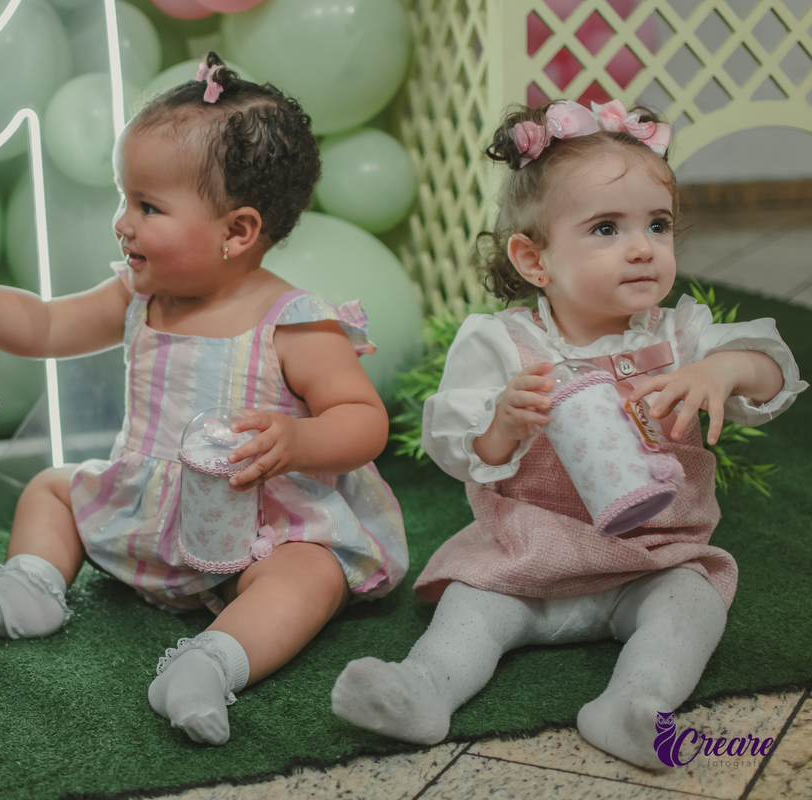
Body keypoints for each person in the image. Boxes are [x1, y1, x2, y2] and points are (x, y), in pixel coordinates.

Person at [0, 53, 408, 746]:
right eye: (125, 199)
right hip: (148, 514)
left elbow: (364, 420)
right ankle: (32, 585)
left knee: (312, 574)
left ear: (237, 232)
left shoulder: (293, 323)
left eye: (147, 207)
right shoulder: (140, 296)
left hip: (255, 528)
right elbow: (43, 326)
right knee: (52, 489)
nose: (122, 222)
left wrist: (298, 440)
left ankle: (213, 661)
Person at [330, 99, 806, 769]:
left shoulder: (680, 335)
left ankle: (634, 703)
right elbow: (461, 449)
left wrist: (724, 370)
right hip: (527, 558)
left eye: (658, 224)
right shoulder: (504, 344)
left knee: (694, 605)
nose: (642, 247)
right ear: (534, 259)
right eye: (606, 228)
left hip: (652, 557)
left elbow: (773, 371)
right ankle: (425, 687)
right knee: (472, 606)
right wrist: (503, 422)